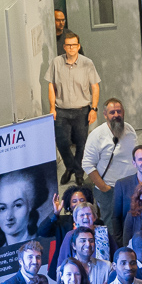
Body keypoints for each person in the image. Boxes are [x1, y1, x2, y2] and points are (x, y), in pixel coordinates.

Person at [48, 31, 100, 184]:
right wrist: (52, 107)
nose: (71, 48)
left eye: (74, 45)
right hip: (61, 110)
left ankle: (77, 173)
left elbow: (95, 87)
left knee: (81, 143)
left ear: (78, 46)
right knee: (62, 142)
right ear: (64, 47)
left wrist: (94, 109)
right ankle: (72, 167)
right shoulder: (56, 63)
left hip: (81, 110)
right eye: (68, 45)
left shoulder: (87, 63)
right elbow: (51, 85)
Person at [81, 99, 136, 228]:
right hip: (110, 190)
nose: (116, 115)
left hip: (131, 188)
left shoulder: (130, 130)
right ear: (105, 115)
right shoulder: (96, 136)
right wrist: (105, 188)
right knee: (113, 228)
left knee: (131, 224)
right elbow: (87, 165)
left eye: (119, 111)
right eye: (112, 112)